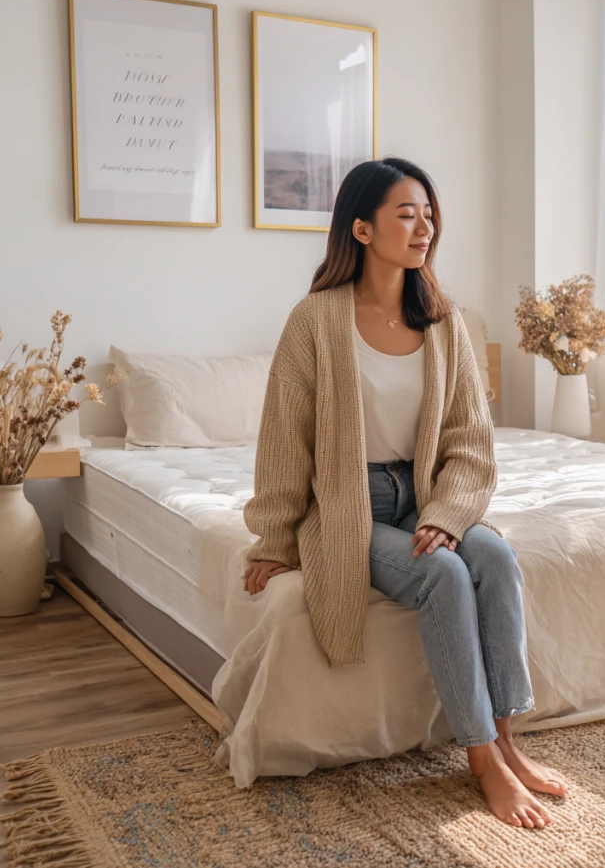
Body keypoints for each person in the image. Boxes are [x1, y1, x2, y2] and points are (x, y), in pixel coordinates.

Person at [242, 156, 568, 829]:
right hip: (349, 503)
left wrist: (448, 514)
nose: (424, 227)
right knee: (442, 574)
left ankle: (509, 738)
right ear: (361, 229)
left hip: (425, 492)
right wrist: (274, 540)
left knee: (494, 556)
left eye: (428, 214)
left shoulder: (445, 323)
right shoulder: (314, 320)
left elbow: (471, 440)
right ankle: (481, 757)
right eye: (405, 214)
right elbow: (284, 438)